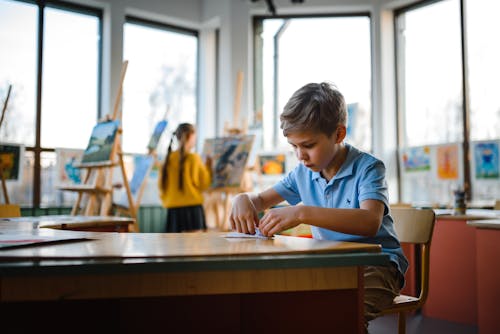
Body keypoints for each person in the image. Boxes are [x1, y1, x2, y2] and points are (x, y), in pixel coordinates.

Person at [229, 82, 408, 329]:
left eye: (308, 145)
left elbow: (370, 221)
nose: (300, 156)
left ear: (338, 134)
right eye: (294, 146)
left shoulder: (368, 168)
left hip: (378, 265)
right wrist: (242, 199)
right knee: (287, 305)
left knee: (339, 314)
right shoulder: (302, 173)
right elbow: (258, 200)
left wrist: (302, 212)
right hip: (331, 262)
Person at [158, 123, 212, 232]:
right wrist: (208, 167)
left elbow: (161, 186)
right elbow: (204, 184)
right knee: (195, 248)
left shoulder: (168, 159)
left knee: (174, 248)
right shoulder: (194, 158)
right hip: (193, 211)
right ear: (190, 136)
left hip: (173, 212)